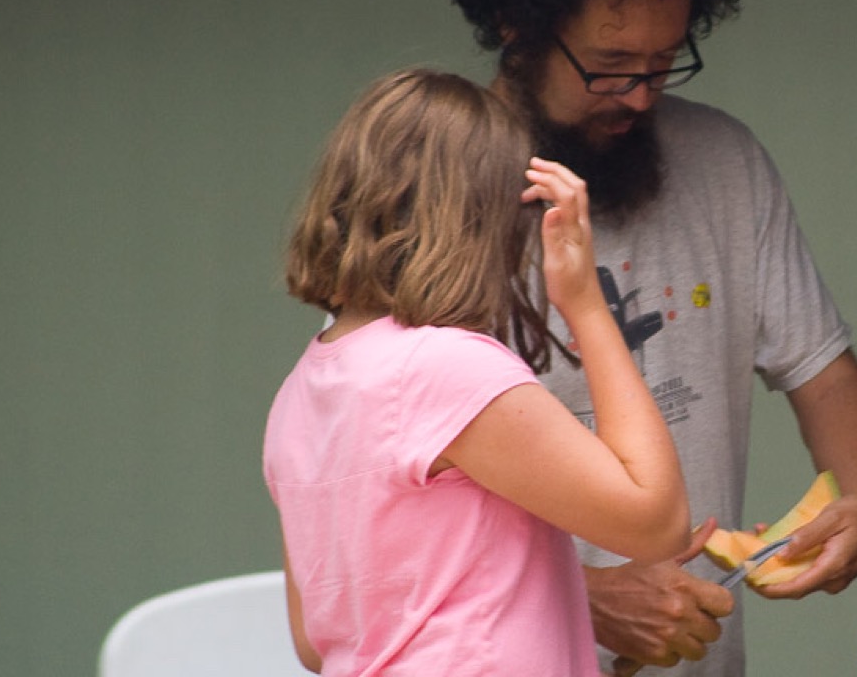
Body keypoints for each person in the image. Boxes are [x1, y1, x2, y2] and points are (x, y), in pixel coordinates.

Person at [443, 0, 857, 677]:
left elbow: (829, 377)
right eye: (611, 65)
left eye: (665, 62)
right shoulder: (427, 193)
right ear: (516, 24)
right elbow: (364, 516)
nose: (641, 95)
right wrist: (577, 595)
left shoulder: (725, 165)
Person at [263, 68, 698, 676]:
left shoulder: (298, 396)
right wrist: (585, 303)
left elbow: (314, 641)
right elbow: (657, 524)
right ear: (484, 222)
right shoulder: (444, 366)